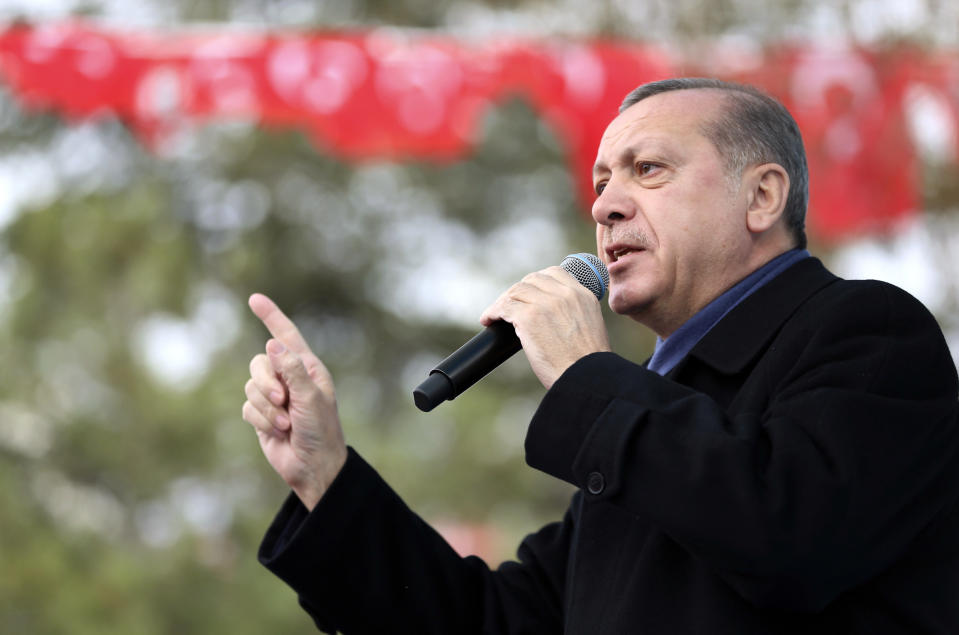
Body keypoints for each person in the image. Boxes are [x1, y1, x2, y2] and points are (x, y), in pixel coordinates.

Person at [242, 78, 959, 633]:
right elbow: (494, 622)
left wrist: (591, 381)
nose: (604, 206)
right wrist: (326, 476)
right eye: (599, 183)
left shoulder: (869, 333)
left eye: (646, 169)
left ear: (762, 195)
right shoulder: (649, 417)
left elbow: (794, 539)